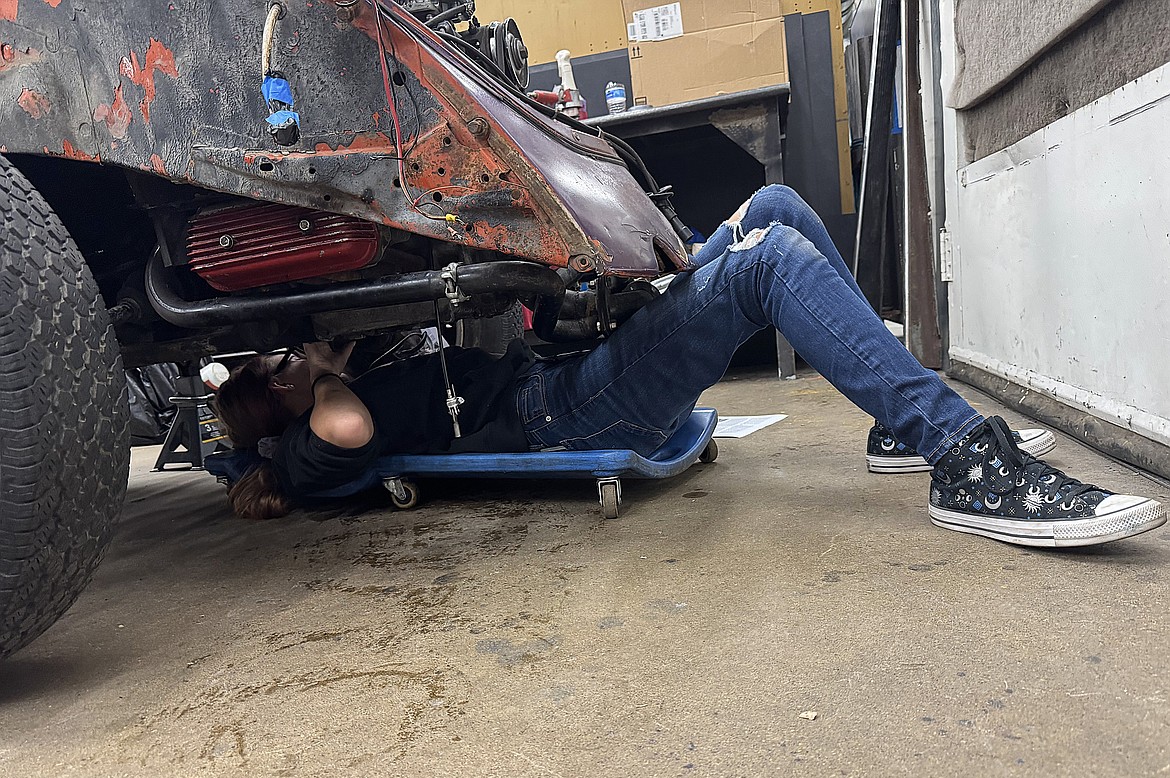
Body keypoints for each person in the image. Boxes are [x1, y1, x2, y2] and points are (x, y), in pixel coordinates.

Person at [214, 185, 1166, 547]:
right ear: (268, 416)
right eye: (265, 377)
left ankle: (895, 424)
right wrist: (321, 371)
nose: (279, 364)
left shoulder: (352, 365)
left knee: (777, 205)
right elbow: (350, 428)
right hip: (571, 415)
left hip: (571, 367)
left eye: (275, 359)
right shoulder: (303, 454)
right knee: (769, 268)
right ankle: (966, 460)